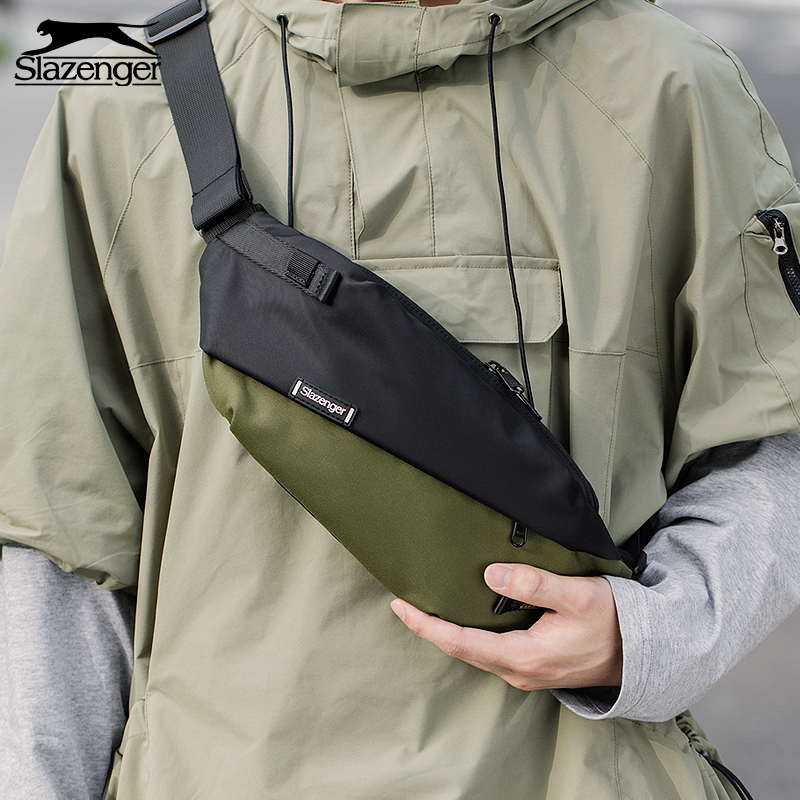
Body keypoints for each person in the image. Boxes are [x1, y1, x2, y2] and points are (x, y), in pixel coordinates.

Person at [2, 0, 800, 797]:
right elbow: (57, 542)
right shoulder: (122, 107)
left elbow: (769, 429)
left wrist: (652, 633)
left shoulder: (670, 89)